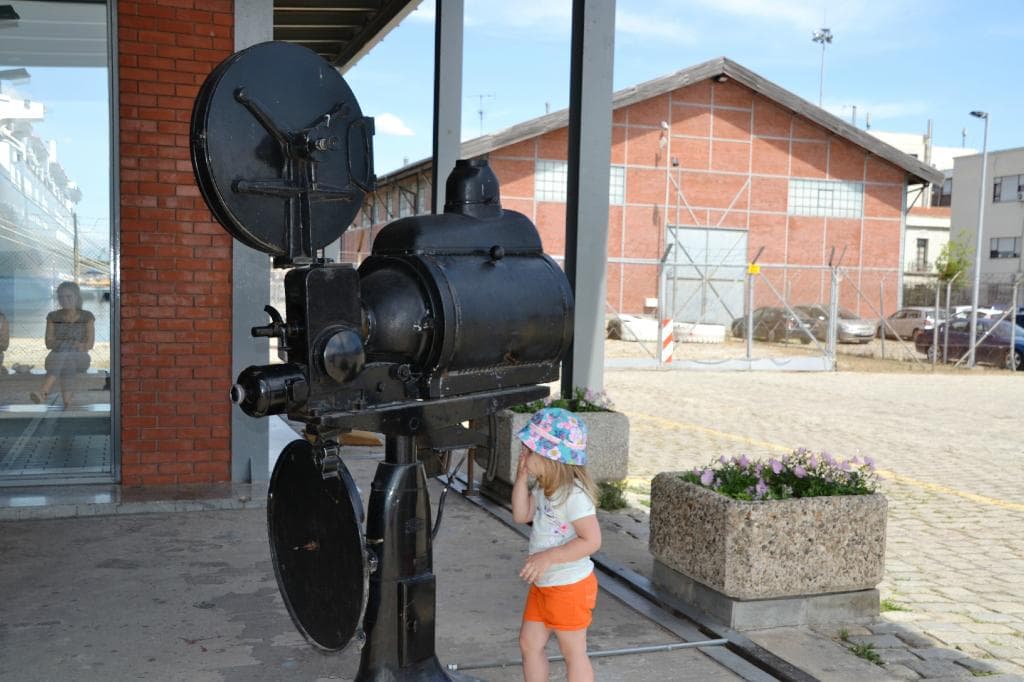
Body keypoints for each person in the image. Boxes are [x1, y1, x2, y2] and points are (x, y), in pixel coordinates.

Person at [512, 407, 602, 682]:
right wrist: (521, 479)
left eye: (530, 450)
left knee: (573, 652)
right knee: (529, 644)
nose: (523, 454)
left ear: (551, 457)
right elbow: (521, 515)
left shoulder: (574, 496)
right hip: (544, 584)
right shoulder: (544, 488)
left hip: (569, 587)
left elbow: (592, 540)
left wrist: (549, 556)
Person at [31, 281, 94, 408]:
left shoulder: (87, 316)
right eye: (61, 297)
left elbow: (89, 344)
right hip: (55, 358)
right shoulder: (53, 316)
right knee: (67, 357)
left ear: (77, 297)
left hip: (80, 358)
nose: (64, 300)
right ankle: (67, 401)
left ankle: (44, 391)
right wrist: (67, 344)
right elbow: (48, 343)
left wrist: (71, 345)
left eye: (68, 296)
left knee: (68, 352)